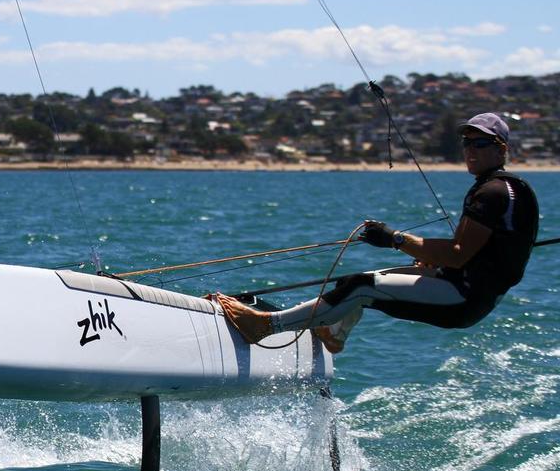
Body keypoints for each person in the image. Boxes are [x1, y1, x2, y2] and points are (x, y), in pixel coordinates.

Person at [211, 112, 539, 353]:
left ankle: (265, 326)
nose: (471, 150)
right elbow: (484, 253)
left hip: (464, 297)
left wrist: (395, 239)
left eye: (481, 143)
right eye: (467, 142)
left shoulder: (492, 192)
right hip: (470, 289)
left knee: (360, 287)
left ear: (501, 150)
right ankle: (333, 333)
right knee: (365, 280)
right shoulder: (510, 189)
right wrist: (435, 262)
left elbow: (458, 253)